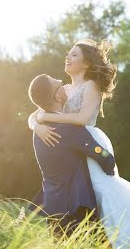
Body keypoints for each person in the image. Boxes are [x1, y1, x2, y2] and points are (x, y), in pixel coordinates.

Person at [28, 39, 130, 249]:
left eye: (74, 55)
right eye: (68, 54)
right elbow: (39, 109)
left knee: (107, 197)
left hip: (88, 141)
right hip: (74, 147)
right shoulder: (63, 91)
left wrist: (48, 119)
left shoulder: (90, 86)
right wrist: (36, 125)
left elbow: (78, 120)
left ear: (86, 62)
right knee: (91, 200)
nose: (67, 58)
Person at [27, 73, 116, 239]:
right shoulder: (70, 129)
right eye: (59, 83)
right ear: (58, 96)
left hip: (52, 205)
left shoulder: (39, 130)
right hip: (76, 207)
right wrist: (109, 160)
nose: (64, 83)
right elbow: (101, 155)